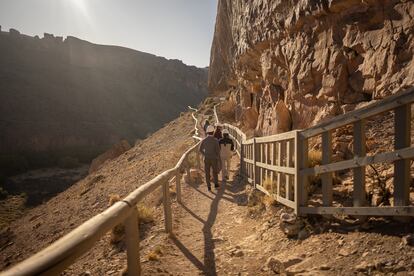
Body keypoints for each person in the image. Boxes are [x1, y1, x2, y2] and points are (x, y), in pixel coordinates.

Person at [199, 125, 220, 191]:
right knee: (215, 172)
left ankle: (209, 187)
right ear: (213, 132)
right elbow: (218, 150)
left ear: (207, 132)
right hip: (214, 158)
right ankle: (216, 185)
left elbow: (200, 149)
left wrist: (205, 154)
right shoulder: (215, 140)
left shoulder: (204, 140)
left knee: (207, 172)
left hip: (206, 158)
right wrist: (216, 156)